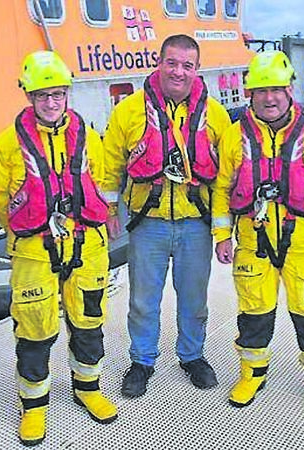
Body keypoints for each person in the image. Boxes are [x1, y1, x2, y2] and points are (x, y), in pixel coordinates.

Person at [0, 50, 116, 446]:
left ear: (67, 94)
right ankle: (34, 407)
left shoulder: (89, 136)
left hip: (86, 245)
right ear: (29, 96)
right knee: (34, 331)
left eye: (58, 94)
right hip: (33, 249)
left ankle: (88, 388)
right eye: (43, 95)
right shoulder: (6, 144)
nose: (51, 102)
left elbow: (98, 181)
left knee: (89, 322)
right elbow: (0, 201)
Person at [212, 50, 304, 414]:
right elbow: (222, 190)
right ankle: (252, 375)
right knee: (253, 315)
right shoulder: (231, 136)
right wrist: (221, 236)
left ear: (290, 90)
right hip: (252, 244)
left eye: (276, 89)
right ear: (248, 94)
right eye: (260, 90)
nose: (269, 98)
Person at [101, 34, 231, 397]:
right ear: (159, 62)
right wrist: (111, 210)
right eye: (171, 62)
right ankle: (142, 360)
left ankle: (192, 356)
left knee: (194, 300)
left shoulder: (215, 115)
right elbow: (111, 165)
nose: (178, 71)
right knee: (143, 300)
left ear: (197, 69)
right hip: (148, 224)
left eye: (187, 65)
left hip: (196, 225)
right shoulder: (127, 111)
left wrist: (223, 231)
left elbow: (226, 177)